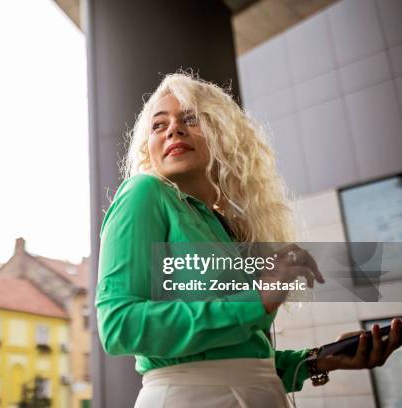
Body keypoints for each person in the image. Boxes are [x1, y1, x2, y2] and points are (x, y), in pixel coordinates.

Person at [95, 72, 402, 407]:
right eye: (158, 124)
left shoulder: (226, 226)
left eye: (191, 118)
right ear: (148, 147)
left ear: (224, 136)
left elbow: (238, 358)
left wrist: (320, 359)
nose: (173, 129)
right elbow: (118, 326)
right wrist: (257, 300)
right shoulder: (144, 192)